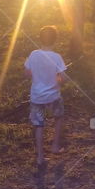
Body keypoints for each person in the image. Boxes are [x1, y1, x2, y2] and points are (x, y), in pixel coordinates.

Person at [24, 26, 67, 167]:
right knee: (59, 117)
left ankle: (40, 157)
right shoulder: (57, 57)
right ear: (55, 40)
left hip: (37, 96)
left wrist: (37, 75)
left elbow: (27, 73)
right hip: (53, 96)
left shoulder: (33, 54)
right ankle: (55, 146)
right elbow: (63, 79)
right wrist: (57, 79)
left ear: (40, 39)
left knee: (39, 125)